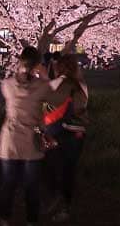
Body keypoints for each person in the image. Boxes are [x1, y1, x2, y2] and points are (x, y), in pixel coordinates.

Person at [0, 46, 66, 226]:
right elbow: (58, 99)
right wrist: (44, 76)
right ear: (37, 64)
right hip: (31, 139)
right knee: (32, 185)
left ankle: (4, 220)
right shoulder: (41, 87)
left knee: (7, 184)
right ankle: (31, 221)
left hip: (9, 139)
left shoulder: (7, 84)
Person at [44, 54, 89, 222]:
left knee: (52, 166)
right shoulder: (82, 85)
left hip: (57, 131)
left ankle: (56, 198)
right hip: (78, 132)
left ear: (59, 67)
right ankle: (65, 206)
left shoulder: (58, 84)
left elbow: (45, 104)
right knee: (69, 170)